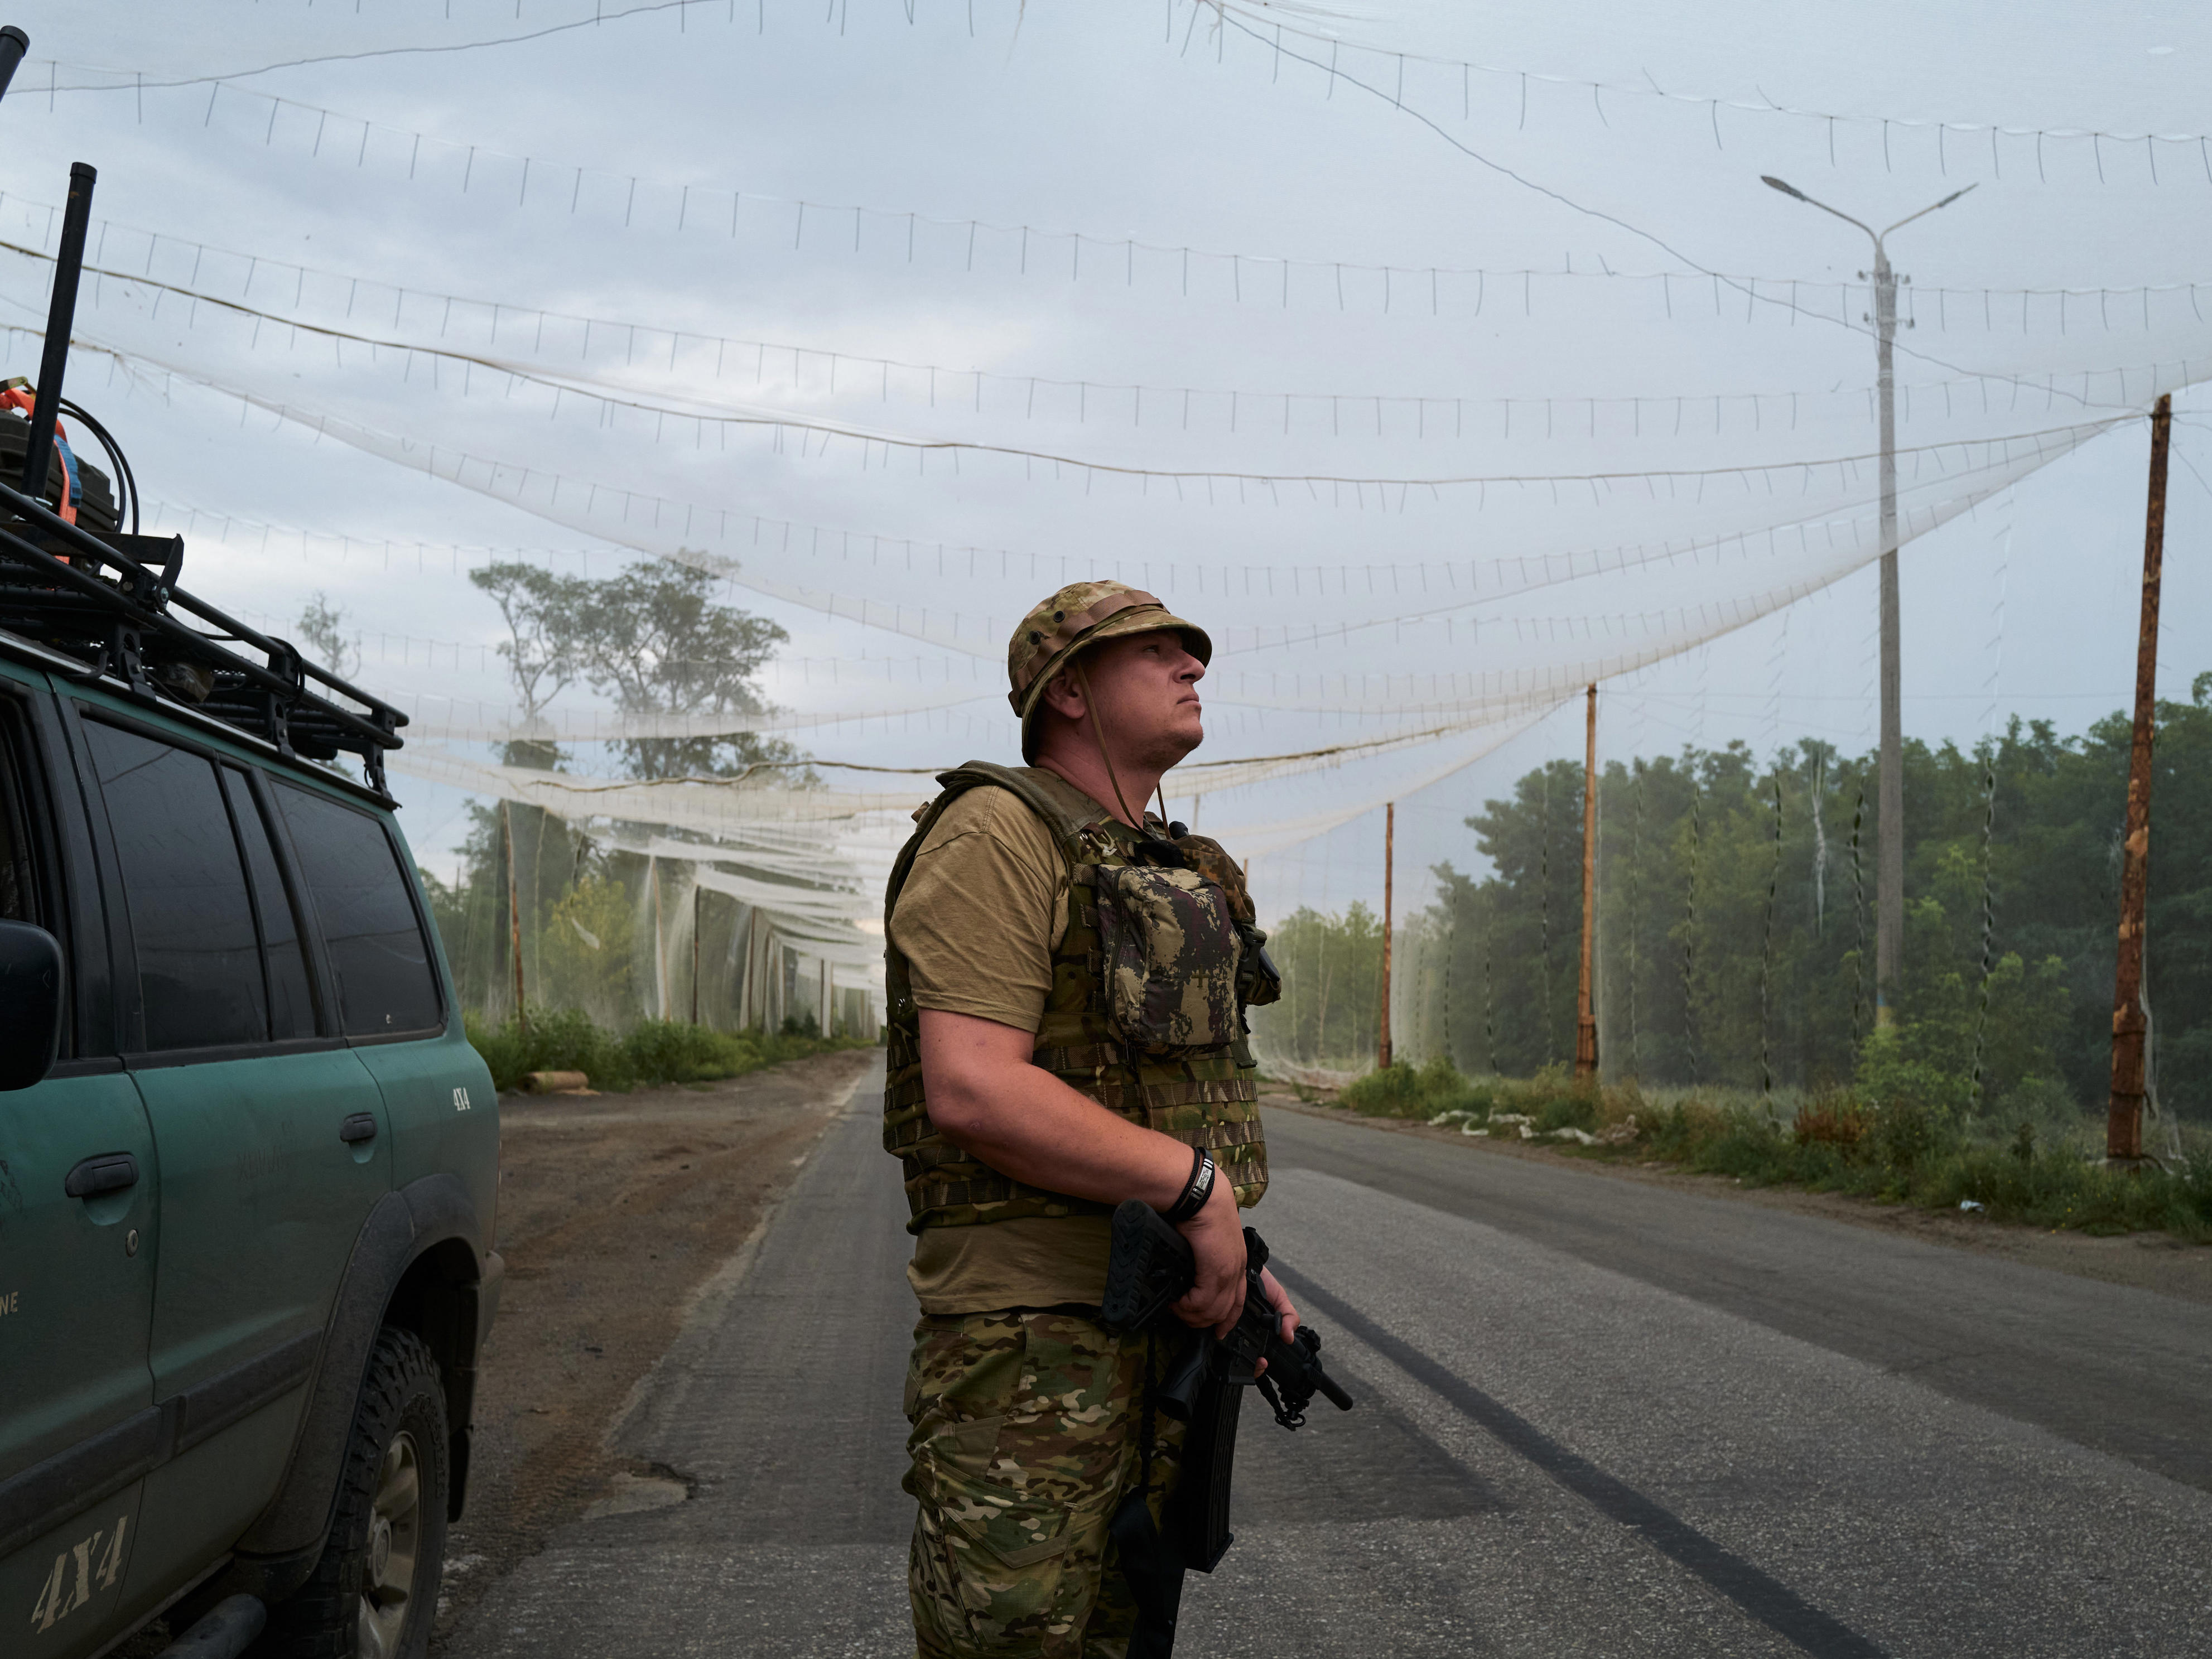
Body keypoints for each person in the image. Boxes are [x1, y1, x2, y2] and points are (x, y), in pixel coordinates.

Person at [883, 580, 1294, 1658]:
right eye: (1154, 651)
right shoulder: (997, 833)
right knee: (1012, 1638)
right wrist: (1198, 1193)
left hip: (1152, 1307)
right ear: (1067, 691)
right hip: (1031, 1335)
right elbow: (973, 1085)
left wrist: (1227, 1254)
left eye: (1190, 652)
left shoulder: (1162, 861)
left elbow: (1149, 1095)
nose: (1192, 666)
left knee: (1124, 1630)